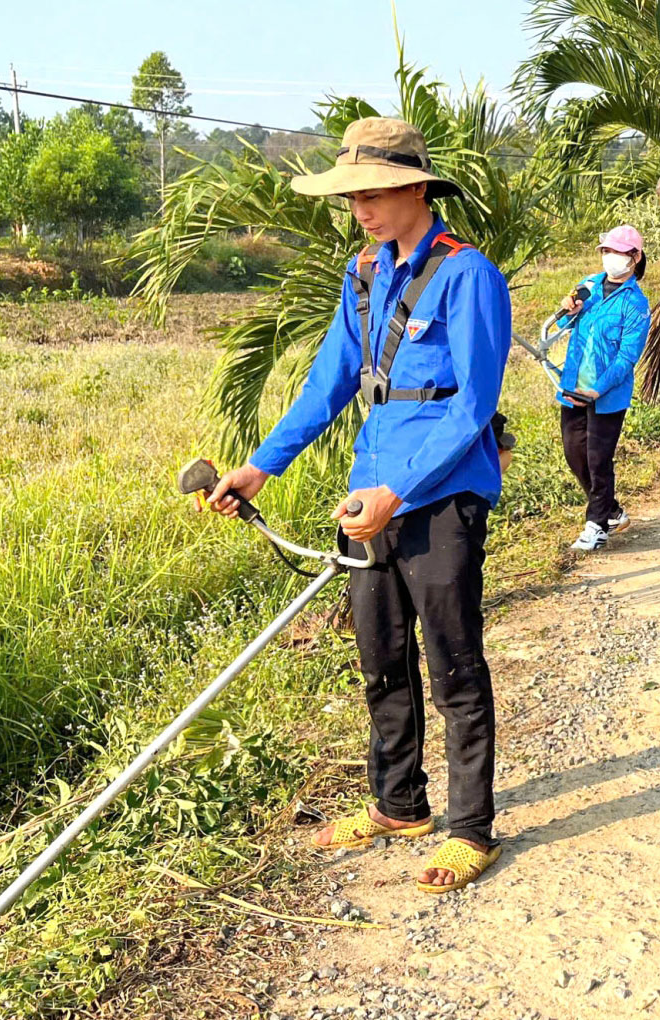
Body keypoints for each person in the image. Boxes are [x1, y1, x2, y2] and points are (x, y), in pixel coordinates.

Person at [205, 117, 510, 895]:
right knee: (380, 658)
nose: (361, 209)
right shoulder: (364, 272)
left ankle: (470, 828)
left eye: (372, 193)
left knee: (453, 666)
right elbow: (330, 381)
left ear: (416, 187)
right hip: (368, 486)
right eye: (351, 198)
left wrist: (399, 491)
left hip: (436, 492)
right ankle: (397, 804)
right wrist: (258, 468)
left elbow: (472, 404)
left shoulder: (468, 274)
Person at [555, 224, 650, 552]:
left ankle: (596, 525)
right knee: (574, 454)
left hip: (607, 395)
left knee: (598, 458)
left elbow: (627, 356)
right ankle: (611, 510)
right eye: (606, 251)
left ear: (635, 258)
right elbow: (564, 326)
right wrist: (568, 311)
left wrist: (599, 389)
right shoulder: (588, 286)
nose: (610, 257)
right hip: (573, 386)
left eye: (618, 252)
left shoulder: (636, 304)